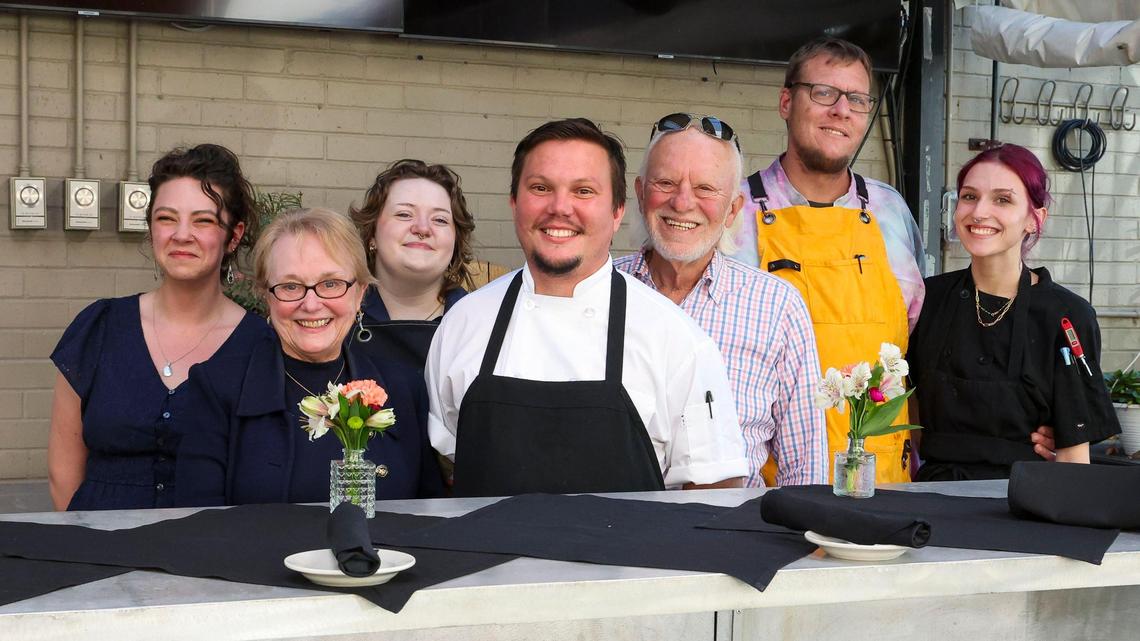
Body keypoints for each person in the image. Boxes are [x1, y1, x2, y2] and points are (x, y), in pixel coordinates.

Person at [426, 118, 748, 497]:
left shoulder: (678, 341)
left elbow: (715, 493)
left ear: (617, 211)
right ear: (514, 202)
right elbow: (449, 464)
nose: (560, 207)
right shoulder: (463, 324)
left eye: (583, 191)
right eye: (541, 188)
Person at [723, 37, 925, 484]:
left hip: (885, 478)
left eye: (857, 99)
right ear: (786, 102)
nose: (841, 110)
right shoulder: (734, 213)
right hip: (768, 485)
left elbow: (915, 350)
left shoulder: (891, 211)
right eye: (824, 93)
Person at [48, 144, 267, 510]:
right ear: (151, 228)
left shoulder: (260, 345)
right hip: (97, 540)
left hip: (209, 543)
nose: (182, 234)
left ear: (233, 235)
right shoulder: (100, 328)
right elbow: (63, 474)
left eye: (203, 220)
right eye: (166, 218)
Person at [614, 113, 827, 487]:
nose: (683, 202)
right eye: (666, 183)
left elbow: (805, 469)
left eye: (705, 189)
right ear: (641, 193)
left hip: (731, 522)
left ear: (732, 209)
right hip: (612, 519)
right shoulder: (601, 291)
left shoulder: (777, 306)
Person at [179, 208, 443, 505]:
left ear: (360, 293)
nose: (312, 304)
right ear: (266, 296)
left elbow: (428, 516)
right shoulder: (217, 389)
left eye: (330, 284)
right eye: (291, 286)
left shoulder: (403, 389)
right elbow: (198, 521)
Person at [907, 144, 1119, 480]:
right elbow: (908, 411)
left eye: (1002, 200)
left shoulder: (1067, 316)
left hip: (1025, 499)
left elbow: (1073, 458)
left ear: (1035, 219)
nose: (979, 212)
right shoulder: (927, 299)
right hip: (931, 495)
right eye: (969, 196)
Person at [349, 159, 476, 374]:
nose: (422, 228)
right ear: (372, 235)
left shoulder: (481, 324)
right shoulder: (337, 319)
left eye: (440, 220)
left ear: (455, 241)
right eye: (404, 214)